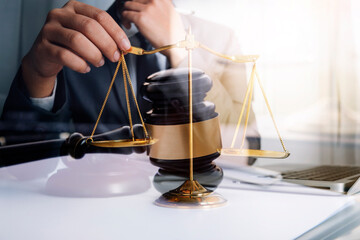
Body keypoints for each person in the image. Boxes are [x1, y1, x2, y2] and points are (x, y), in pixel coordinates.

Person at [1, 0, 259, 156]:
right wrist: (37, 74)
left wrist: (181, 51)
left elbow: (247, 149)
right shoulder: (70, 38)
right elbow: (23, 164)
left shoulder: (221, 39)